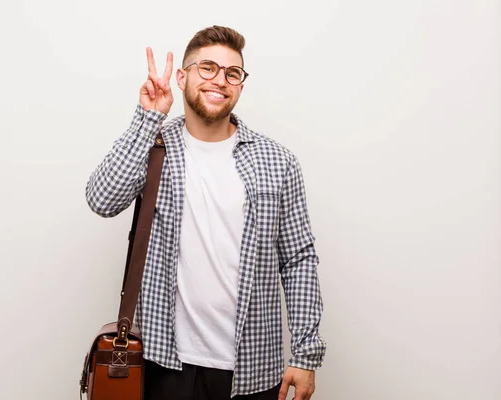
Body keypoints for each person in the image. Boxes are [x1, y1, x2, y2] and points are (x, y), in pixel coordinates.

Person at [86, 25, 326, 400]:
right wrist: (147, 118)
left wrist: (305, 354)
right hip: (164, 364)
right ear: (182, 77)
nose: (220, 80)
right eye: (208, 68)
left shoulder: (277, 161)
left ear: (241, 86)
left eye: (232, 73)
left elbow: (298, 259)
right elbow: (102, 199)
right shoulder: (155, 148)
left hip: (253, 369)